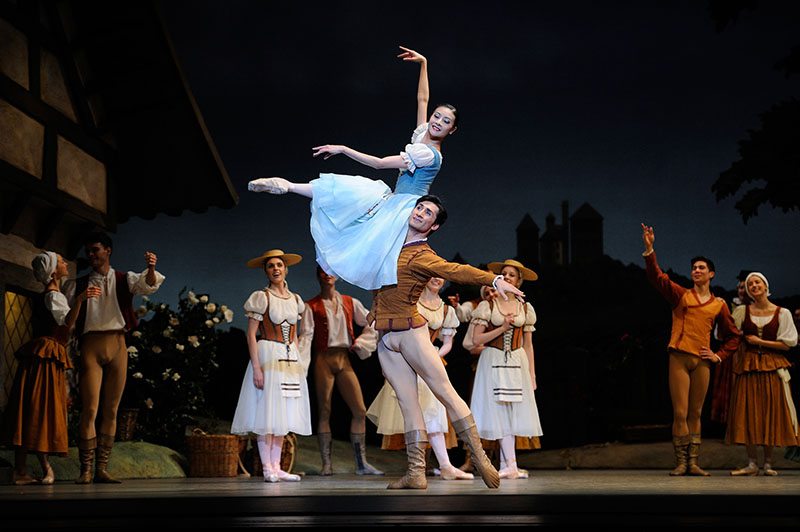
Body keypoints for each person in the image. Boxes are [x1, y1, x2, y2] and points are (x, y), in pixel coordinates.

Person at [248, 46, 458, 290]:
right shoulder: (422, 134)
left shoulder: (428, 154)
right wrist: (423, 64)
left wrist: (344, 149)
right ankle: (287, 186)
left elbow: (380, 164)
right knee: (347, 192)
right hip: (393, 197)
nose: (437, 122)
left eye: (446, 122)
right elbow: (422, 98)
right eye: (437, 116)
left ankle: (290, 186)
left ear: (451, 130)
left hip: (406, 206)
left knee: (378, 252)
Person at [368, 195, 523, 489]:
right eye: (420, 207)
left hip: (410, 332)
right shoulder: (388, 242)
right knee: (407, 403)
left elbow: (456, 271)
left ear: (433, 225)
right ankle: (416, 472)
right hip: (386, 338)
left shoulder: (424, 255)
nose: (421, 213)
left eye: (428, 213)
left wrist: (493, 280)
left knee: (445, 392)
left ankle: (480, 458)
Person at [64, 232, 164, 484]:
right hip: (91, 345)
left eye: (96, 249)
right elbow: (67, 321)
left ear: (108, 250)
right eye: (89, 251)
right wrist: (80, 299)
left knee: (111, 410)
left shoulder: (124, 279)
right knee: (90, 408)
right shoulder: (78, 284)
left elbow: (147, 285)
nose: (91, 255)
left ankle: (102, 468)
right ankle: (85, 469)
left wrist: (151, 268)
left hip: (118, 344)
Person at [640, 223, 740, 476]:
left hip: (702, 362)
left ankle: (693, 461)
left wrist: (719, 356)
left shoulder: (718, 304)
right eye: (694, 268)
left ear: (711, 274)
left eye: (701, 268)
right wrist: (650, 249)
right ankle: (681, 461)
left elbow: (732, 337)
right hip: (680, 358)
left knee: (696, 413)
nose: (696, 270)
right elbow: (657, 278)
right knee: (681, 412)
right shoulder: (681, 295)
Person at [1, 252, 99, 485]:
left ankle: (22, 470)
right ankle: (44, 468)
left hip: (45, 355)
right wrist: (81, 299)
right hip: (46, 357)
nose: (66, 263)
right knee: (41, 408)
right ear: (54, 270)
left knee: (32, 408)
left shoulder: (54, 295)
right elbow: (65, 324)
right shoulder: (54, 296)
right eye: (62, 261)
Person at [368, 277, 473, 481]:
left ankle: (444, 465)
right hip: (406, 362)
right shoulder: (410, 304)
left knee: (434, 415)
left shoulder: (446, 310)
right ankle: (420, 467)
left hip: (430, 362)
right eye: (431, 275)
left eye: (440, 276)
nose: (436, 279)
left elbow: (448, 342)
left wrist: (433, 358)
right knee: (415, 414)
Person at [232, 250, 312, 482]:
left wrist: (298, 362)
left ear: (286, 269)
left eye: (279, 265)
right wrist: (256, 367)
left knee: (283, 413)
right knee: (267, 411)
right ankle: (267, 468)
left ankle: (277, 467)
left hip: (289, 359)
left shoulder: (296, 300)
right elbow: (251, 335)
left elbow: (295, 335)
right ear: (266, 271)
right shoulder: (261, 297)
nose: (276, 269)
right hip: (268, 353)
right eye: (271, 266)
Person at [297, 266, 382, 476]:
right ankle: (326, 464)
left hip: (344, 358)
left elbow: (372, 321)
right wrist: (300, 366)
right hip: (323, 359)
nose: (327, 275)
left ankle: (361, 463)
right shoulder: (311, 306)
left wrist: (362, 343)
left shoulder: (349, 302)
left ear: (337, 275)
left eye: (331, 271)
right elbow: (306, 337)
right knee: (325, 410)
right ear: (318, 277)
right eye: (323, 272)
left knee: (360, 410)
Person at [470, 259, 542, 480]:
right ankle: (507, 464)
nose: (507, 278)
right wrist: (501, 328)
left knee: (511, 411)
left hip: (516, 361)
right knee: (498, 411)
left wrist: (532, 373)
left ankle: (510, 464)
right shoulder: (488, 305)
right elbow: (476, 339)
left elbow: (528, 344)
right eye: (504, 274)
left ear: (519, 281)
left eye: (512, 275)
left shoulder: (525, 308)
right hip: (493, 359)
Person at [726, 272, 799, 476]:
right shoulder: (742, 310)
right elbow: (727, 333)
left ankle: (768, 463)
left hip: (771, 365)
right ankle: (752, 463)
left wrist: (759, 342)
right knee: (748, 412)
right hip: (748, 365)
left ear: (766, 286)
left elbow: (787, 344)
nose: (754, 285)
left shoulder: (781, 312)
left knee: (770, 412)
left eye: (757, 282)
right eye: (750, 284)